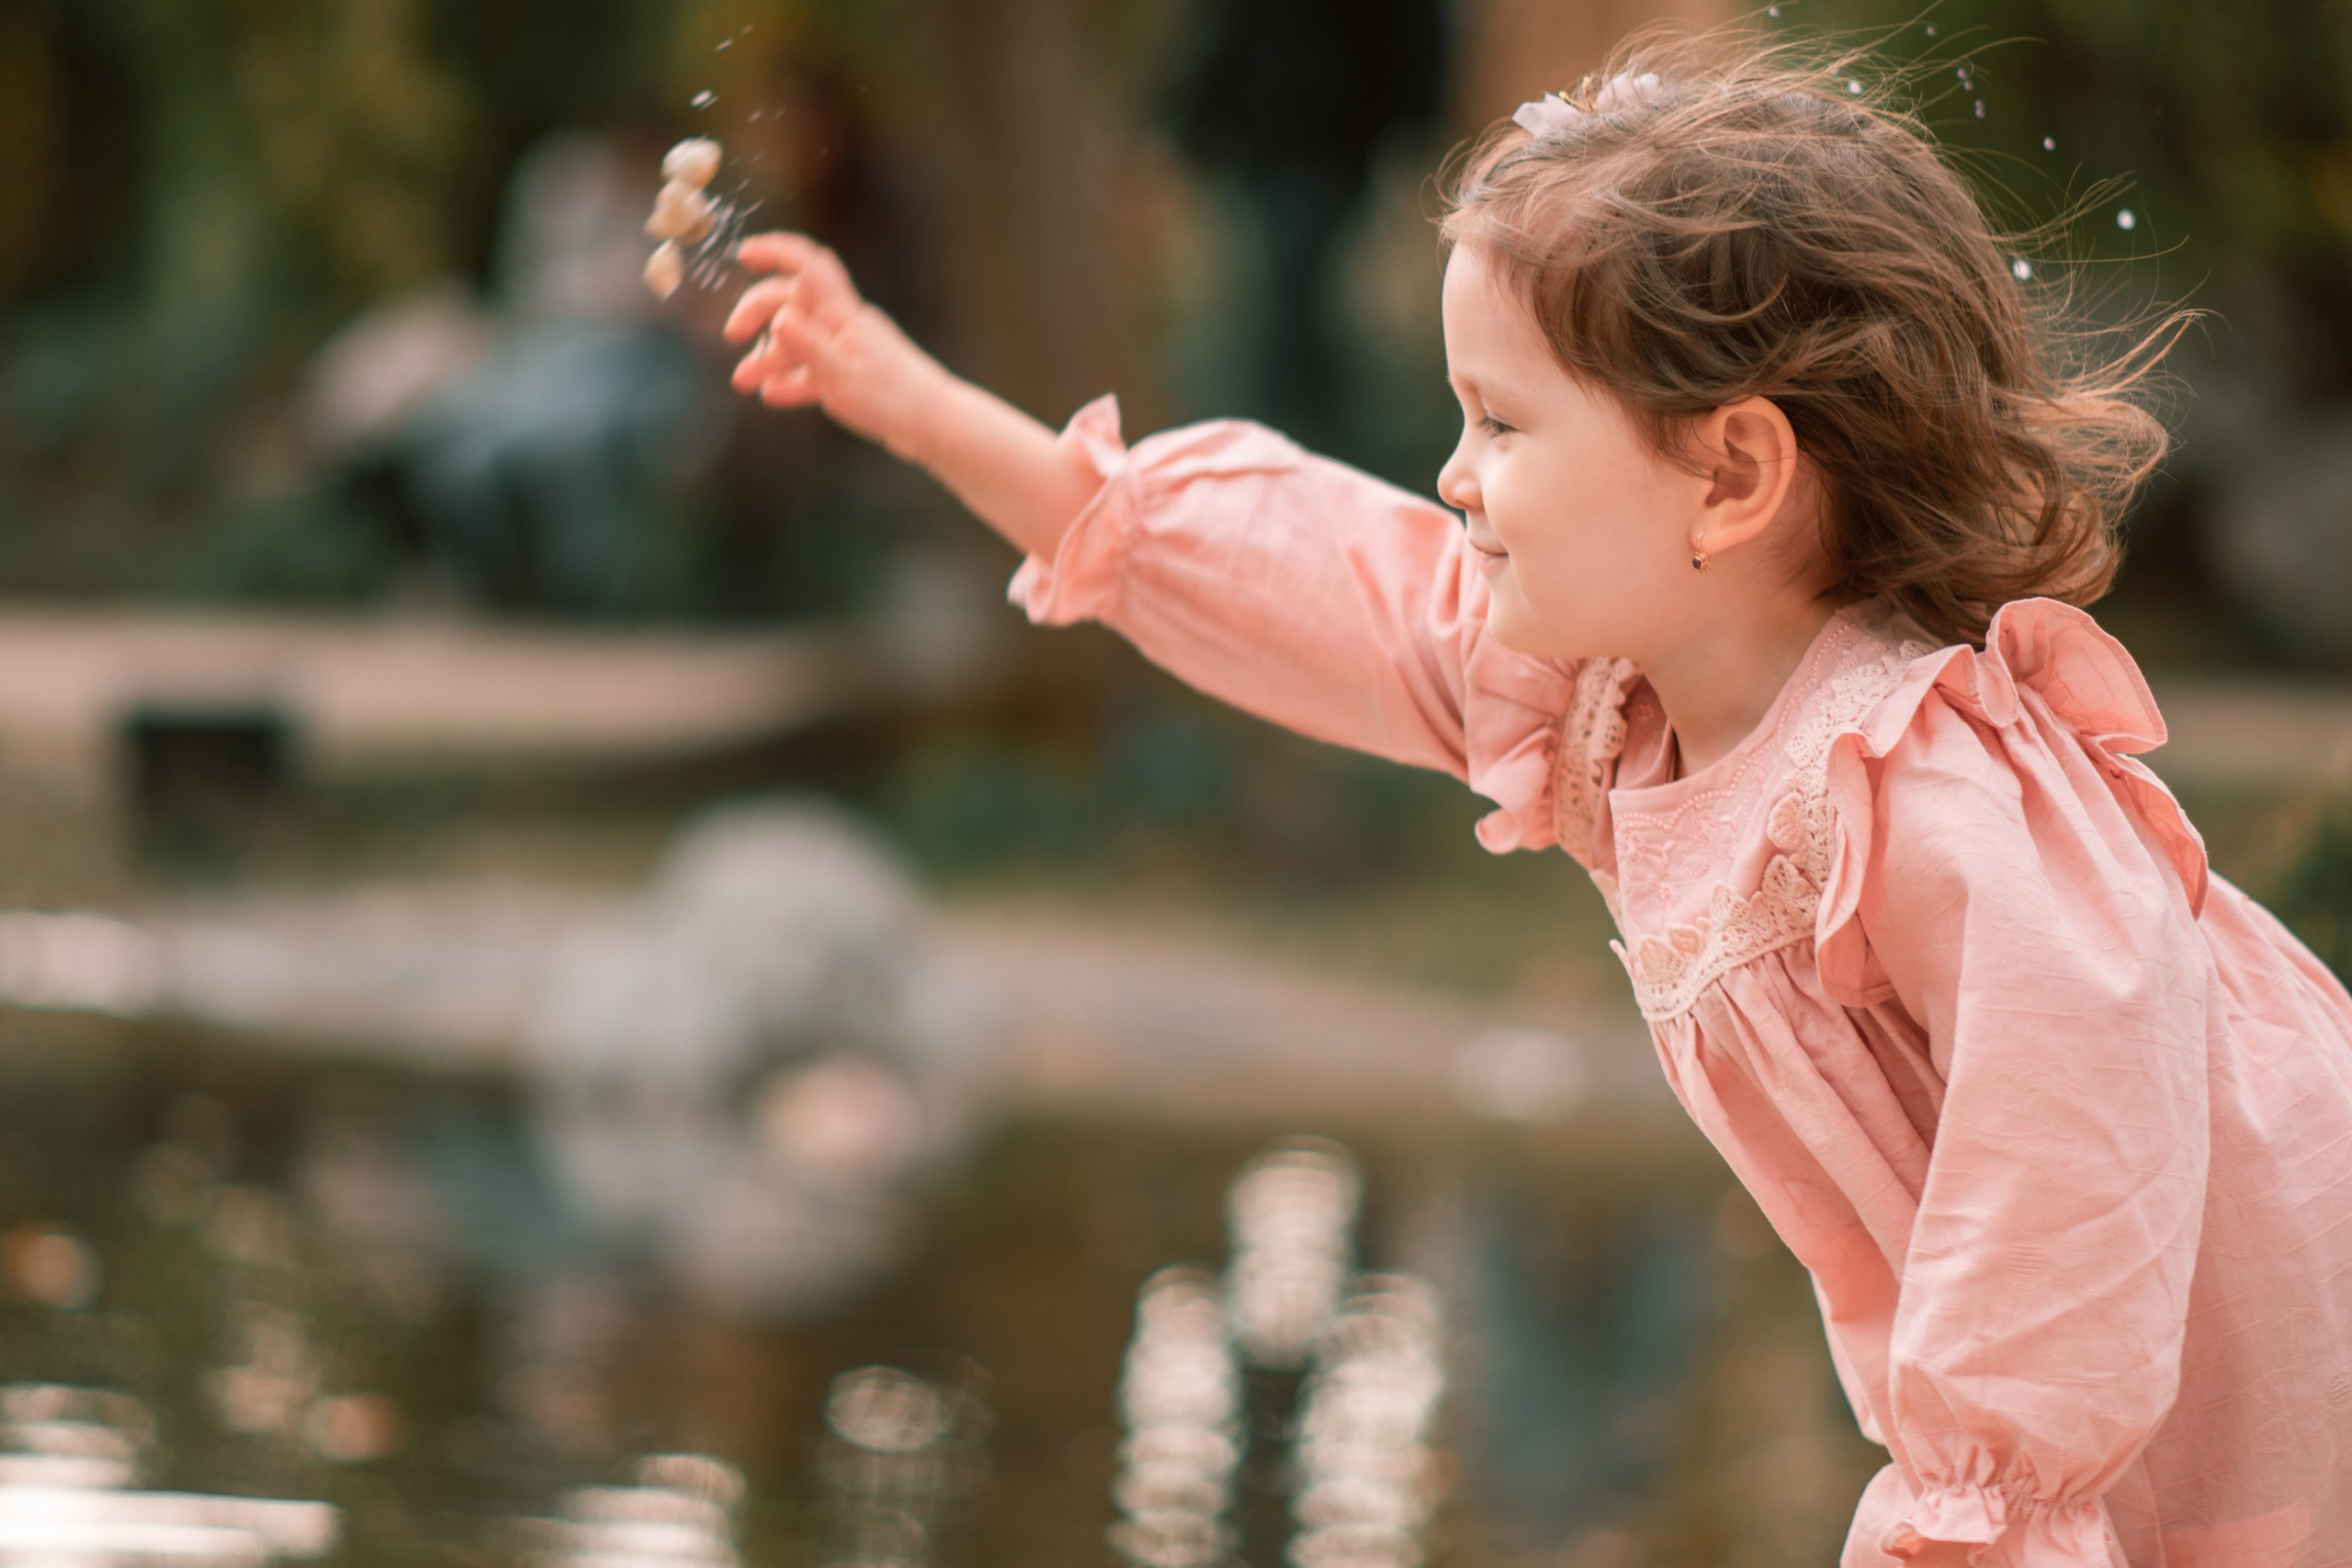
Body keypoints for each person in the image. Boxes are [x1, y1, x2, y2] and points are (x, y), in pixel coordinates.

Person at [717, 31, 2352, 1567]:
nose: (1453, 475)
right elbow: (1306, 572)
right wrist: (910, 399)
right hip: (2121, 1385)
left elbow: (2067, 1187)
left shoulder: (1930, 795)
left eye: (1501, 422)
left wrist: (1975, 1514)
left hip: (2262, 1321)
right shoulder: (1607, 702)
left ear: (1731, 474)